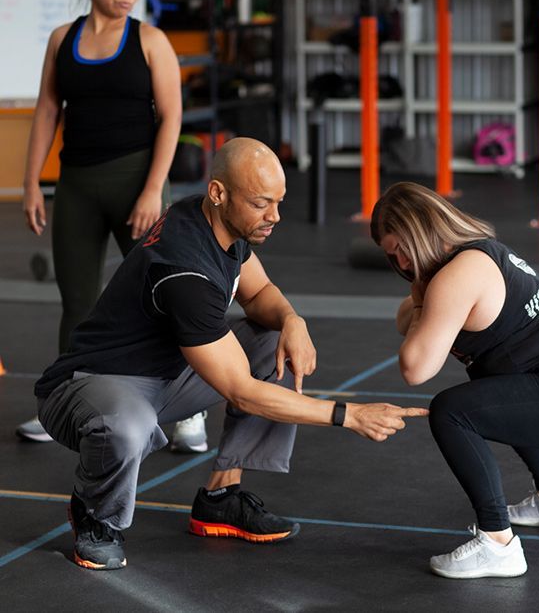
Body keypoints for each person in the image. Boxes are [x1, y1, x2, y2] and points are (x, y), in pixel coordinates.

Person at [34, 138, 428, 571]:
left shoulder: (216, 222)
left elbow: (259, 293)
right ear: (219, 193)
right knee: (130, 426)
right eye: (261, 203)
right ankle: (95, 516)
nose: (274, 216)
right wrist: (349, 415)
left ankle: (221, 496)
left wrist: (293, 320)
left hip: (164, 375)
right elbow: (242, 392)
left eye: (278, 202)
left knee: (268, 340)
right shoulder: (185, 271)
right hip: (89, 385)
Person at [370, 181, 539, 579]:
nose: (403, 266)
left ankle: (497, 542)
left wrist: (423, 298)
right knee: (503, 388)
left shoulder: (455, 276)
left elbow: (415, 367)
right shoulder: (478, 253)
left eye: (400, 252)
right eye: (393, 259)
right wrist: (423, 303)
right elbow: (402, 319)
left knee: (452, 411)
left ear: (419, 235)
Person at [17, 0, 205, 451]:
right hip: (77, 185)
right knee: (76, 302)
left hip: (135, 182)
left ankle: (188, 410)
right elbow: (46, 109)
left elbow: (171, 117)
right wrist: (31, 182)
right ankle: (62, 402)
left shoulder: (151, 41)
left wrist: (151, 190)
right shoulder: (63, 39)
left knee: (167, 297)